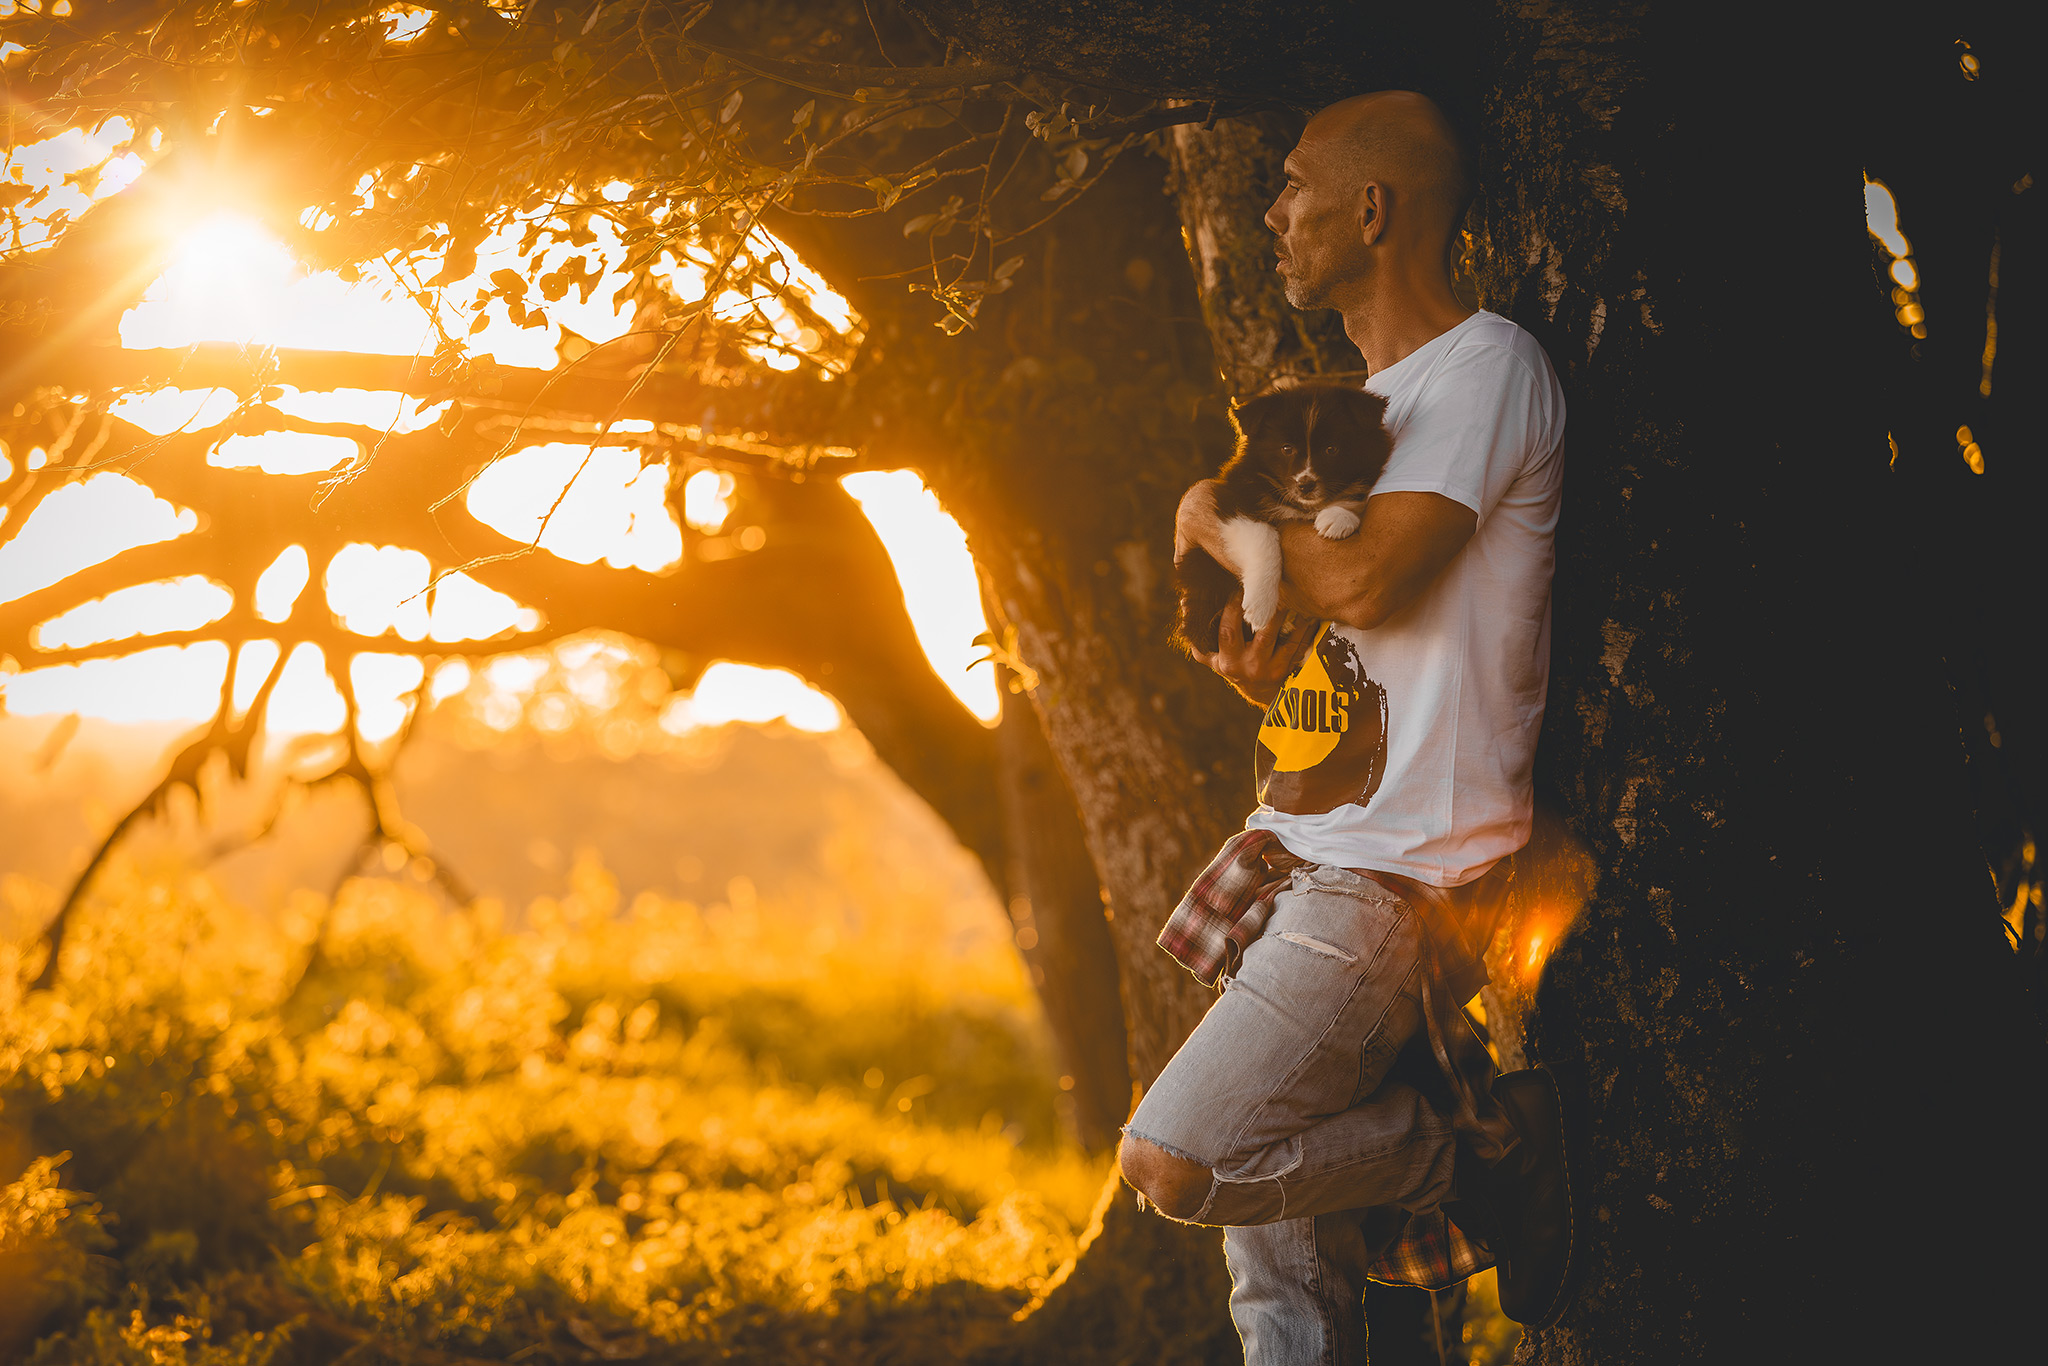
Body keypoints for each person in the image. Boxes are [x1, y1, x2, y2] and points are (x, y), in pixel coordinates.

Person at [1118, 90, 1576, 1361]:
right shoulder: (1362, 407)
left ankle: (1470, 1157)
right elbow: (1369, 644)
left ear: (1370, 209)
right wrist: (1268, 674)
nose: (1269, 214)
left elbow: (1371, 579)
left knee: (1180, 1157)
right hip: (1302, 848)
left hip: (1395, 880)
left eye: (1292, 183)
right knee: (1282, 1306)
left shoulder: (1485, 366)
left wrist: (1214, 518)